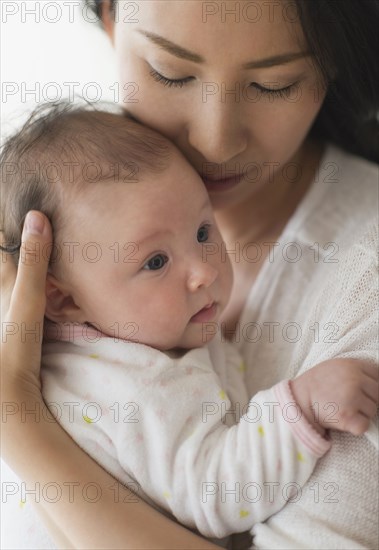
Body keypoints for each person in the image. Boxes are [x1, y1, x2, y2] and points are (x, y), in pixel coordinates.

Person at [1, 1, 378, 548]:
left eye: (273, 84)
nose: (215, 141)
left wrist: (23, 431)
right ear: (109, 18)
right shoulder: (69, 222)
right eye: (170, 72)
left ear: (332, 63)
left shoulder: (362, 271)